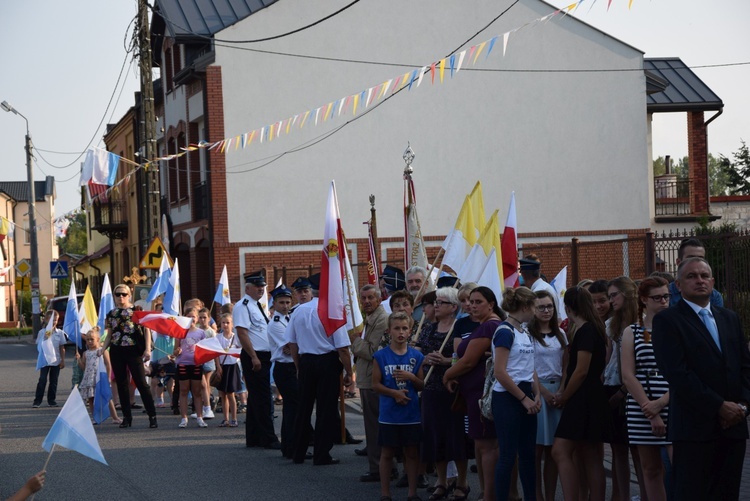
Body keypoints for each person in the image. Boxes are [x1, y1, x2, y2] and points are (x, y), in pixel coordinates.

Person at [652, 257, 750, 500]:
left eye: (704, 276)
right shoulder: (667, 320)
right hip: (694, 429)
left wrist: (743, 407)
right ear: (678, 285)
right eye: (691, 276)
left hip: (733, 428)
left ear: (713, 281)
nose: (699, 280)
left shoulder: (729, 318)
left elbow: (745, 368)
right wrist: (718, 406)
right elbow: (677, 373)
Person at [551, 286, 611, 501]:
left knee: (561, 450)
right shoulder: (595, 328)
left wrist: (565, 395)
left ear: (568, 308)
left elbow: (581, 370)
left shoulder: (586, 331)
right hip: (592, 396)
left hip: (583, 397)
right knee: (590, 456)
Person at [444, 286, 503, 501]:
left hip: (482, 394)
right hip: (472, 394)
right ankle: (487, 492)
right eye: (471, 301)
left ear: (491, 304)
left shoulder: (490, 326)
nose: (472, 305)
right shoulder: (482, 325)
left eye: (478, 302)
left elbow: (468, 360)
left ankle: (490, 495)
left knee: (488, 446)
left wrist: (447, 374)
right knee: (480, 444)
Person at [286, 280, 353, 466]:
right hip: (327, 362)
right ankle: (321, 454)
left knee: (303, 408)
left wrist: (299, 367)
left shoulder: (298, 310)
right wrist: (349, 372)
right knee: (326, 409)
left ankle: (298, 452)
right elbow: (342, 348)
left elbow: (292, 343)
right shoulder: (332, 311)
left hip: (306, 360)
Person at [621, 277, 671, 501]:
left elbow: (686, 373)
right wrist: (649, 409)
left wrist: (660, 404)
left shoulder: (677, 328)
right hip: (641, 407)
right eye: (657, 297)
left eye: (666, 296)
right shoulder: (632, 331)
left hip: (672, 402)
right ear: (644, 300)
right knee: (650, 469)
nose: (663, 301)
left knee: (681, 467)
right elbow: (628, 375)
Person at [417, 286, 469, 500]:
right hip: (430, 389)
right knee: (435, 436)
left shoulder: (459, 327)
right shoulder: (429, 328)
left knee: (456, 437)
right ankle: (441, 480)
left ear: (453, 307)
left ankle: (462, 482)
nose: (435, 306)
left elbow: (465, 356)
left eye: (441, 303)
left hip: (453, 389)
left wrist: (447, 361)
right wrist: (425, 359)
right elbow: (418, 351)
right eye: (435, 302)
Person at [493, 287, 542, 501]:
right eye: (535, 307)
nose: (536, 312)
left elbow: (529, 368)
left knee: (528, 455)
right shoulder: (505, 331)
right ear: (525, 307)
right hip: (507, 398)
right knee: (507, 456)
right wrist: (523, 399)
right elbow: (500, 372)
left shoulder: (524, 331)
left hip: (526, 396)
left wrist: (537, 394)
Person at [373, 311, 426, 501]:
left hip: (410, 413)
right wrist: (393, 393)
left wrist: (412, 377)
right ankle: (385, 493)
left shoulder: (416, 356)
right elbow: (375, 384)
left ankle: (412, 493)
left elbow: (422, 384)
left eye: (405, 328)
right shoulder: (381, 356)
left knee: (411, 452)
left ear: (410, 331)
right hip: (389, 413)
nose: (401, 332)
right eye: (397, 328)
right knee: (387, 452)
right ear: (389, 331)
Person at [233, 271, 280, 449]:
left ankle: (253, 437)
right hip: (255, 356)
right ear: (248, 288)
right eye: (257, 286)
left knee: (256, 398)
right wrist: (253, 356)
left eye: (263, 287)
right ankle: (269, 438)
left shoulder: (256, 305)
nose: (261, 289)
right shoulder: (243, 305)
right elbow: (242, 333)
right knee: (263, 398)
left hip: (263, 355)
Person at [604, 276, 641, 501]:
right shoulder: (611, 323)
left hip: (634, 388)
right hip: (613, 384)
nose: (611, 301)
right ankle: (623, 496)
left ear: (627, 294)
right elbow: (608, 360)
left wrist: (625, 391)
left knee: (638, 448)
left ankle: (646, 494)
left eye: (613, 295)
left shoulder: (642, 320)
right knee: (617, 447)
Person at [100, 284, 157, 429]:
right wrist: (103, 348)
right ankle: (127, 417)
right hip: (117, 350)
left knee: (141, 383)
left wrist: (147, 349)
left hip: (133, 350)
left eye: (123, 294)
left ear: (129, 295)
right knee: (122, 383)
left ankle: (152, 416)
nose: (121, 297)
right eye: (117, 294)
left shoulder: (137, 310)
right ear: (114, 296)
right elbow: (110, 334)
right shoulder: (112, 313)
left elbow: (146, 331)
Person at [528, 290, 567, 501]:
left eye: (549, 306)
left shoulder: (561, 333)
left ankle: (550, 496)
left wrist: (561, 390)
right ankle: (537, 496)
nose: (546, 311)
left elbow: (566, 363)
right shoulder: (529, 335)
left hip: (557, 392)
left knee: (554, 450)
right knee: (536, 451)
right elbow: (529, 366)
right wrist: (543, 393)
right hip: (538, 391)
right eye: (541, 307)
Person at [351, 284, 389, 483]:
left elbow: (373, 350)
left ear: (379, 299)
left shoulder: (381, 320)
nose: (366, 302)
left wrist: (354, 341)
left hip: (373, 378)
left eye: (370, 298)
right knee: (374, 426)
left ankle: (379, 469)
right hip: (368, 377)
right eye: (363, 298)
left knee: (374, 427)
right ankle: (381, 467)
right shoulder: (370, 318)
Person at [267, 285, 299, 457]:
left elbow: (294, 345)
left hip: (291, 366)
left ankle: (290, 446)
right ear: (275, 303)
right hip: (285, 368)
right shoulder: (276, 324)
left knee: (292, 408)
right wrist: (295, 346)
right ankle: (292, 447)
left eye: (288, 302)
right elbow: (289, 346)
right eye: (281, 303)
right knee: (292, 408)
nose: (285, 306)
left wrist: (295, 346)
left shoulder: (289, 318)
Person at [76, 327, 121, 424]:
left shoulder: (102, 351)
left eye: (92, 339)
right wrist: (79, 360)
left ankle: (115, 417)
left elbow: (108, 364)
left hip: (100, 377)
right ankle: (95, 417)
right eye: (88, 339)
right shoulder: (86, 353)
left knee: (106, 397)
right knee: (91, 399)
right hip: (90, 378)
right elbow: (84, 367)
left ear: (98, 339)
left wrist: (108, 377)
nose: (89, 341)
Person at [174, 307, 207, 428]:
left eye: (193, 316)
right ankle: (184, 418)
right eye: (188, 316)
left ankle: (200, 417)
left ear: (197, 318)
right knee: (183, 391)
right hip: (183, 364)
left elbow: (205, 350)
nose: (191, 319)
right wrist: (177, 351)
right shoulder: (180, 332)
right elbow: (174, 351)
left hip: (196, 365)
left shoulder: (201, 333)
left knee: (197, 392)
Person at [668, 238, 723, 307]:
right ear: (679, 262)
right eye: (690, 259)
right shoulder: (666, 295)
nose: (696, 262)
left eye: (700, 259)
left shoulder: (714, 296)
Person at [33, 310, 66, 408]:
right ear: (46, 320)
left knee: (54, 381)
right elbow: (39, 345)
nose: (54, 322)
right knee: (42, 380)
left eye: (55, 320)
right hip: (45, 361)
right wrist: (47, 335)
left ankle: (51, 400)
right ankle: (37, 401)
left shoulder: (60, 333)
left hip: (56, 361)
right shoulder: (42, 332)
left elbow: (62, 347)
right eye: (52, 320)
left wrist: (62, 360)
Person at [215, 313, 241, 427]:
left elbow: (240, 351)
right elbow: (216, 353)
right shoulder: (218, 337)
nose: (225, 325)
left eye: (228, 323)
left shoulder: (236, 337)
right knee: (223, 394)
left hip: (232, 366)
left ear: (232, 324)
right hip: (222, 366)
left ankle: (234, 418)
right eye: (223, 323)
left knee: (231, 393)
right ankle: (225, 418)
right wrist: (218, 367)